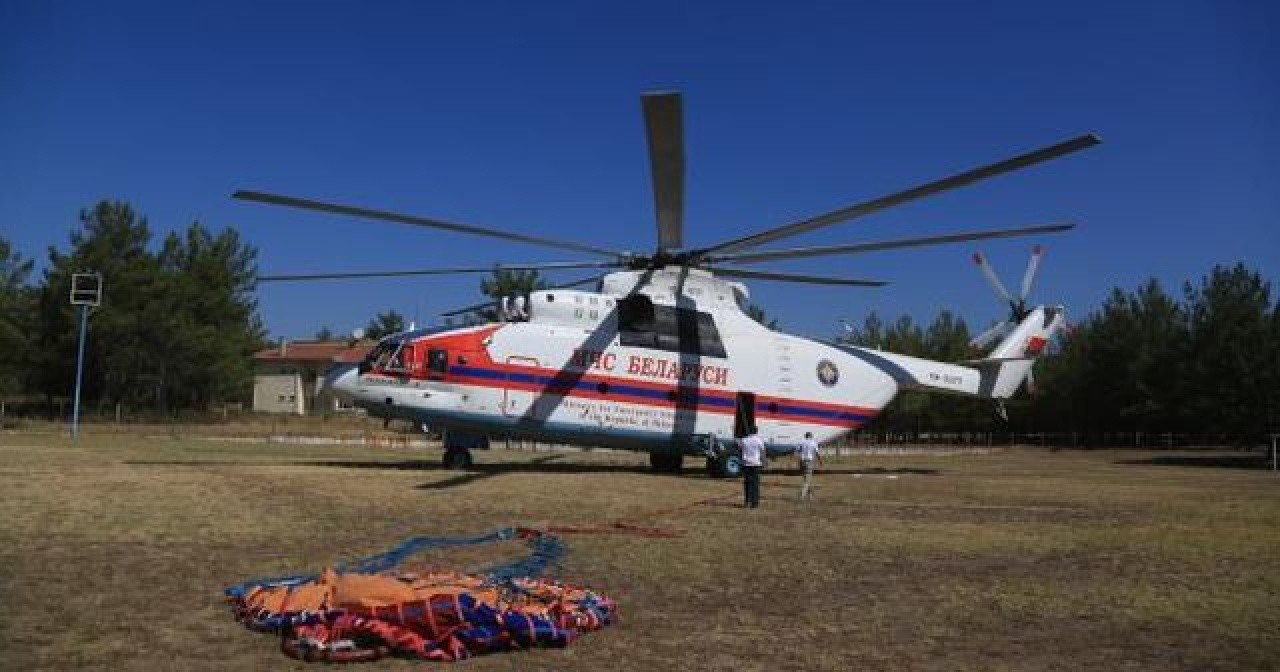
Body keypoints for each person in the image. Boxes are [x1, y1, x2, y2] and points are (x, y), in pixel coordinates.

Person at [739, 426, 765, 509]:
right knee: (755, 484)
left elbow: (741, 449)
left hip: (746, 463)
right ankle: (754, 503)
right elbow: (762, 452)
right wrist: (764, 462)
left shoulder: (744, 440)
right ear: (756, 432)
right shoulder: (758, 440)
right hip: (755, 464)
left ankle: (747, 501)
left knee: (747, 484)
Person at [796, 431, 823, 500]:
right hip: (809, 461)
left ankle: (810, 495)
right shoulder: (813, 442)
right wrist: (820, 461)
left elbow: (797, 451)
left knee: (806, 478)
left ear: (805, 436)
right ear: (810, 436)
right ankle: (801, 496)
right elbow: (817, 453)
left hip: (802, 461)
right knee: (807, 480)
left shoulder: (801, 442)